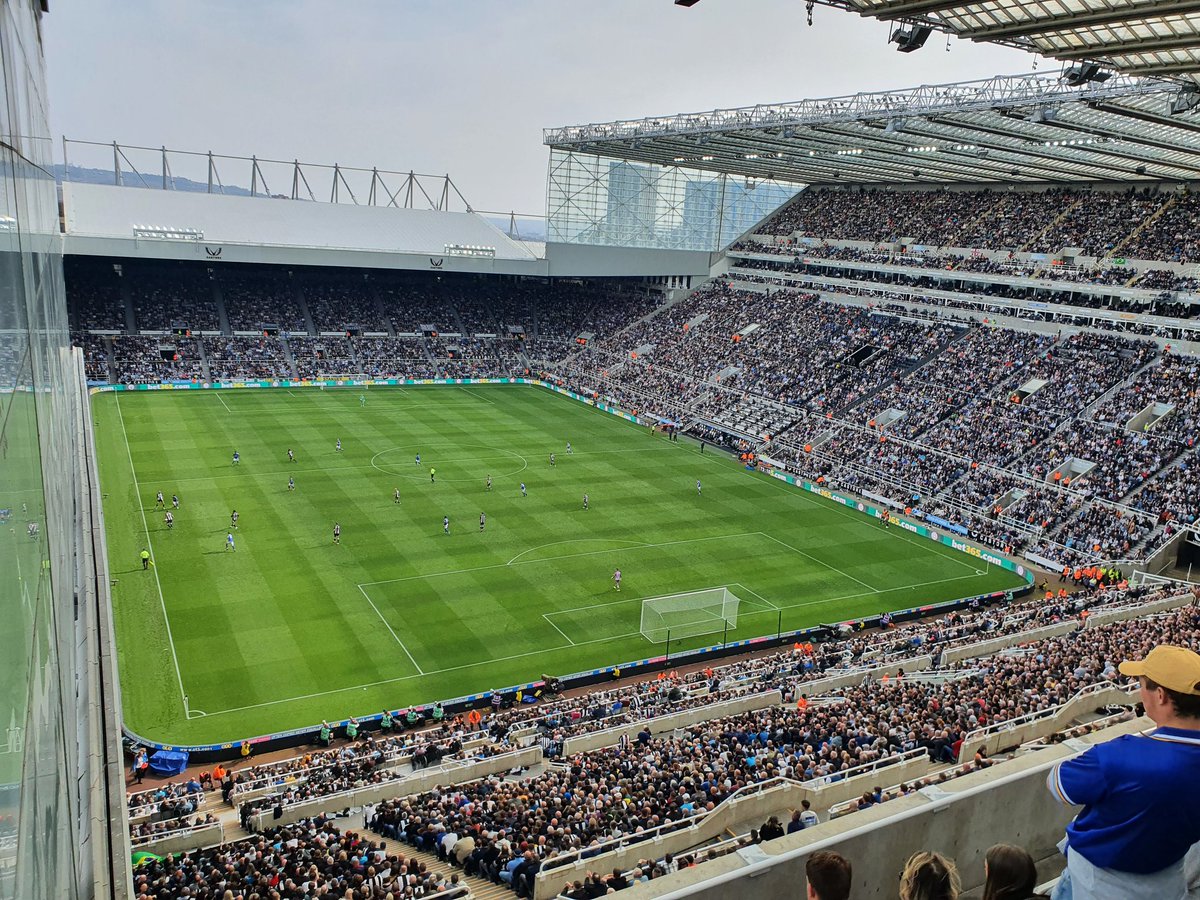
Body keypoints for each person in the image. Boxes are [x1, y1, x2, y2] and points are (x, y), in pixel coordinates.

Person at [1047, 644, 1200, 900]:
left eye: (1142, 684)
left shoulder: (1120, 756)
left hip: (1097, 883)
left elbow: (1057, 784)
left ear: (1160, 695)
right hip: (1169, 879)